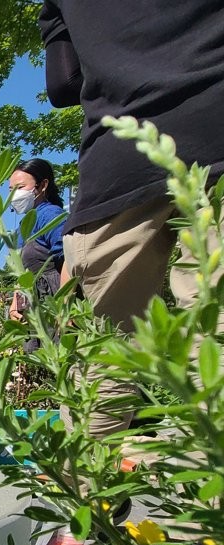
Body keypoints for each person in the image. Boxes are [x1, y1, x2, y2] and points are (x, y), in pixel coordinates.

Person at [40, 0, 224, 438]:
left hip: (119, 157)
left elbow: (63, 83)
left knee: (105, 359)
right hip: (215, 125)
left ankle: (89, 498)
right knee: (214, 335)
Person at [7, 158, 66, 352]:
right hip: (33, 308)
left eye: (21, 187)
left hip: (53, 304)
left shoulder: (51, 215)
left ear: (42, 185)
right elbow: (21, 271)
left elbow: (68, 259)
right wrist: (16, 303)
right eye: (10, 190)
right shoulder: (24, 226)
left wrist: (65, 307)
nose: (15, 195)